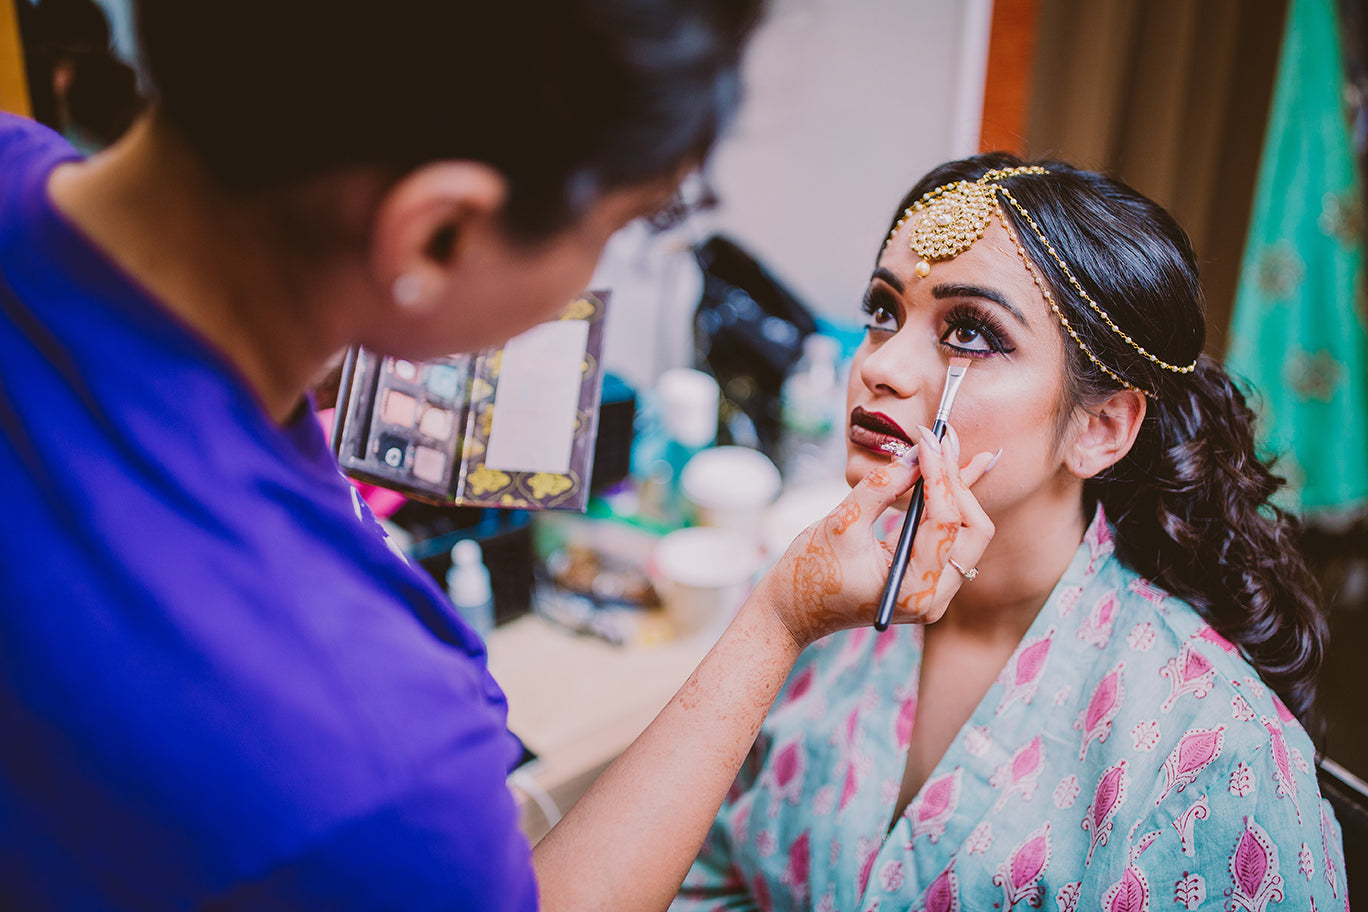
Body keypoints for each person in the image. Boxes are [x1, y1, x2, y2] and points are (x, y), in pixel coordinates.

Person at [0, 2, 1009, 909]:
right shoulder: (367, 770)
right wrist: (781, 616)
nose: (890, 372)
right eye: (624, 225)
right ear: (435, 236)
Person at [672, 154, 1350, 910]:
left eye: (970, 332)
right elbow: (712, 877)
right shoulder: (827, 605)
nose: (881, 365)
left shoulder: (1217, 752)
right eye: (883, 313)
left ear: (1099, 429)